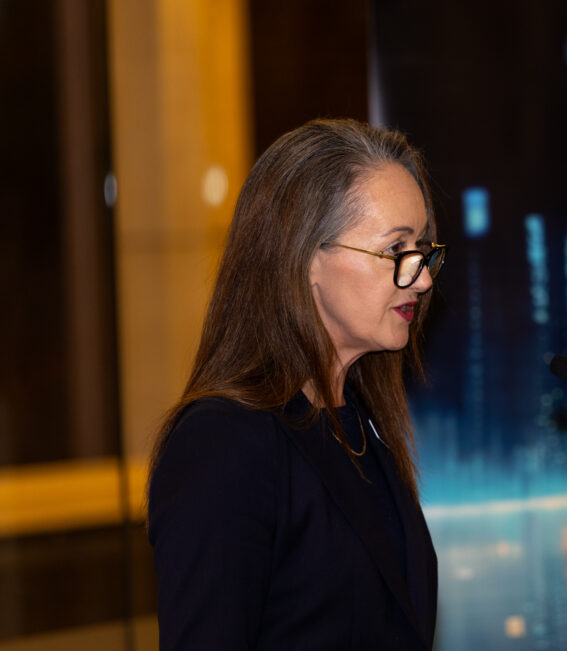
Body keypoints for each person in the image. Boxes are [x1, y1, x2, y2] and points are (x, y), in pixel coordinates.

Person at [147, 118, 446, 650]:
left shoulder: (361, 419)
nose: (421, 277)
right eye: (395, 249)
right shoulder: (224, 442)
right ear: (305, 256)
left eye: (422, 248)